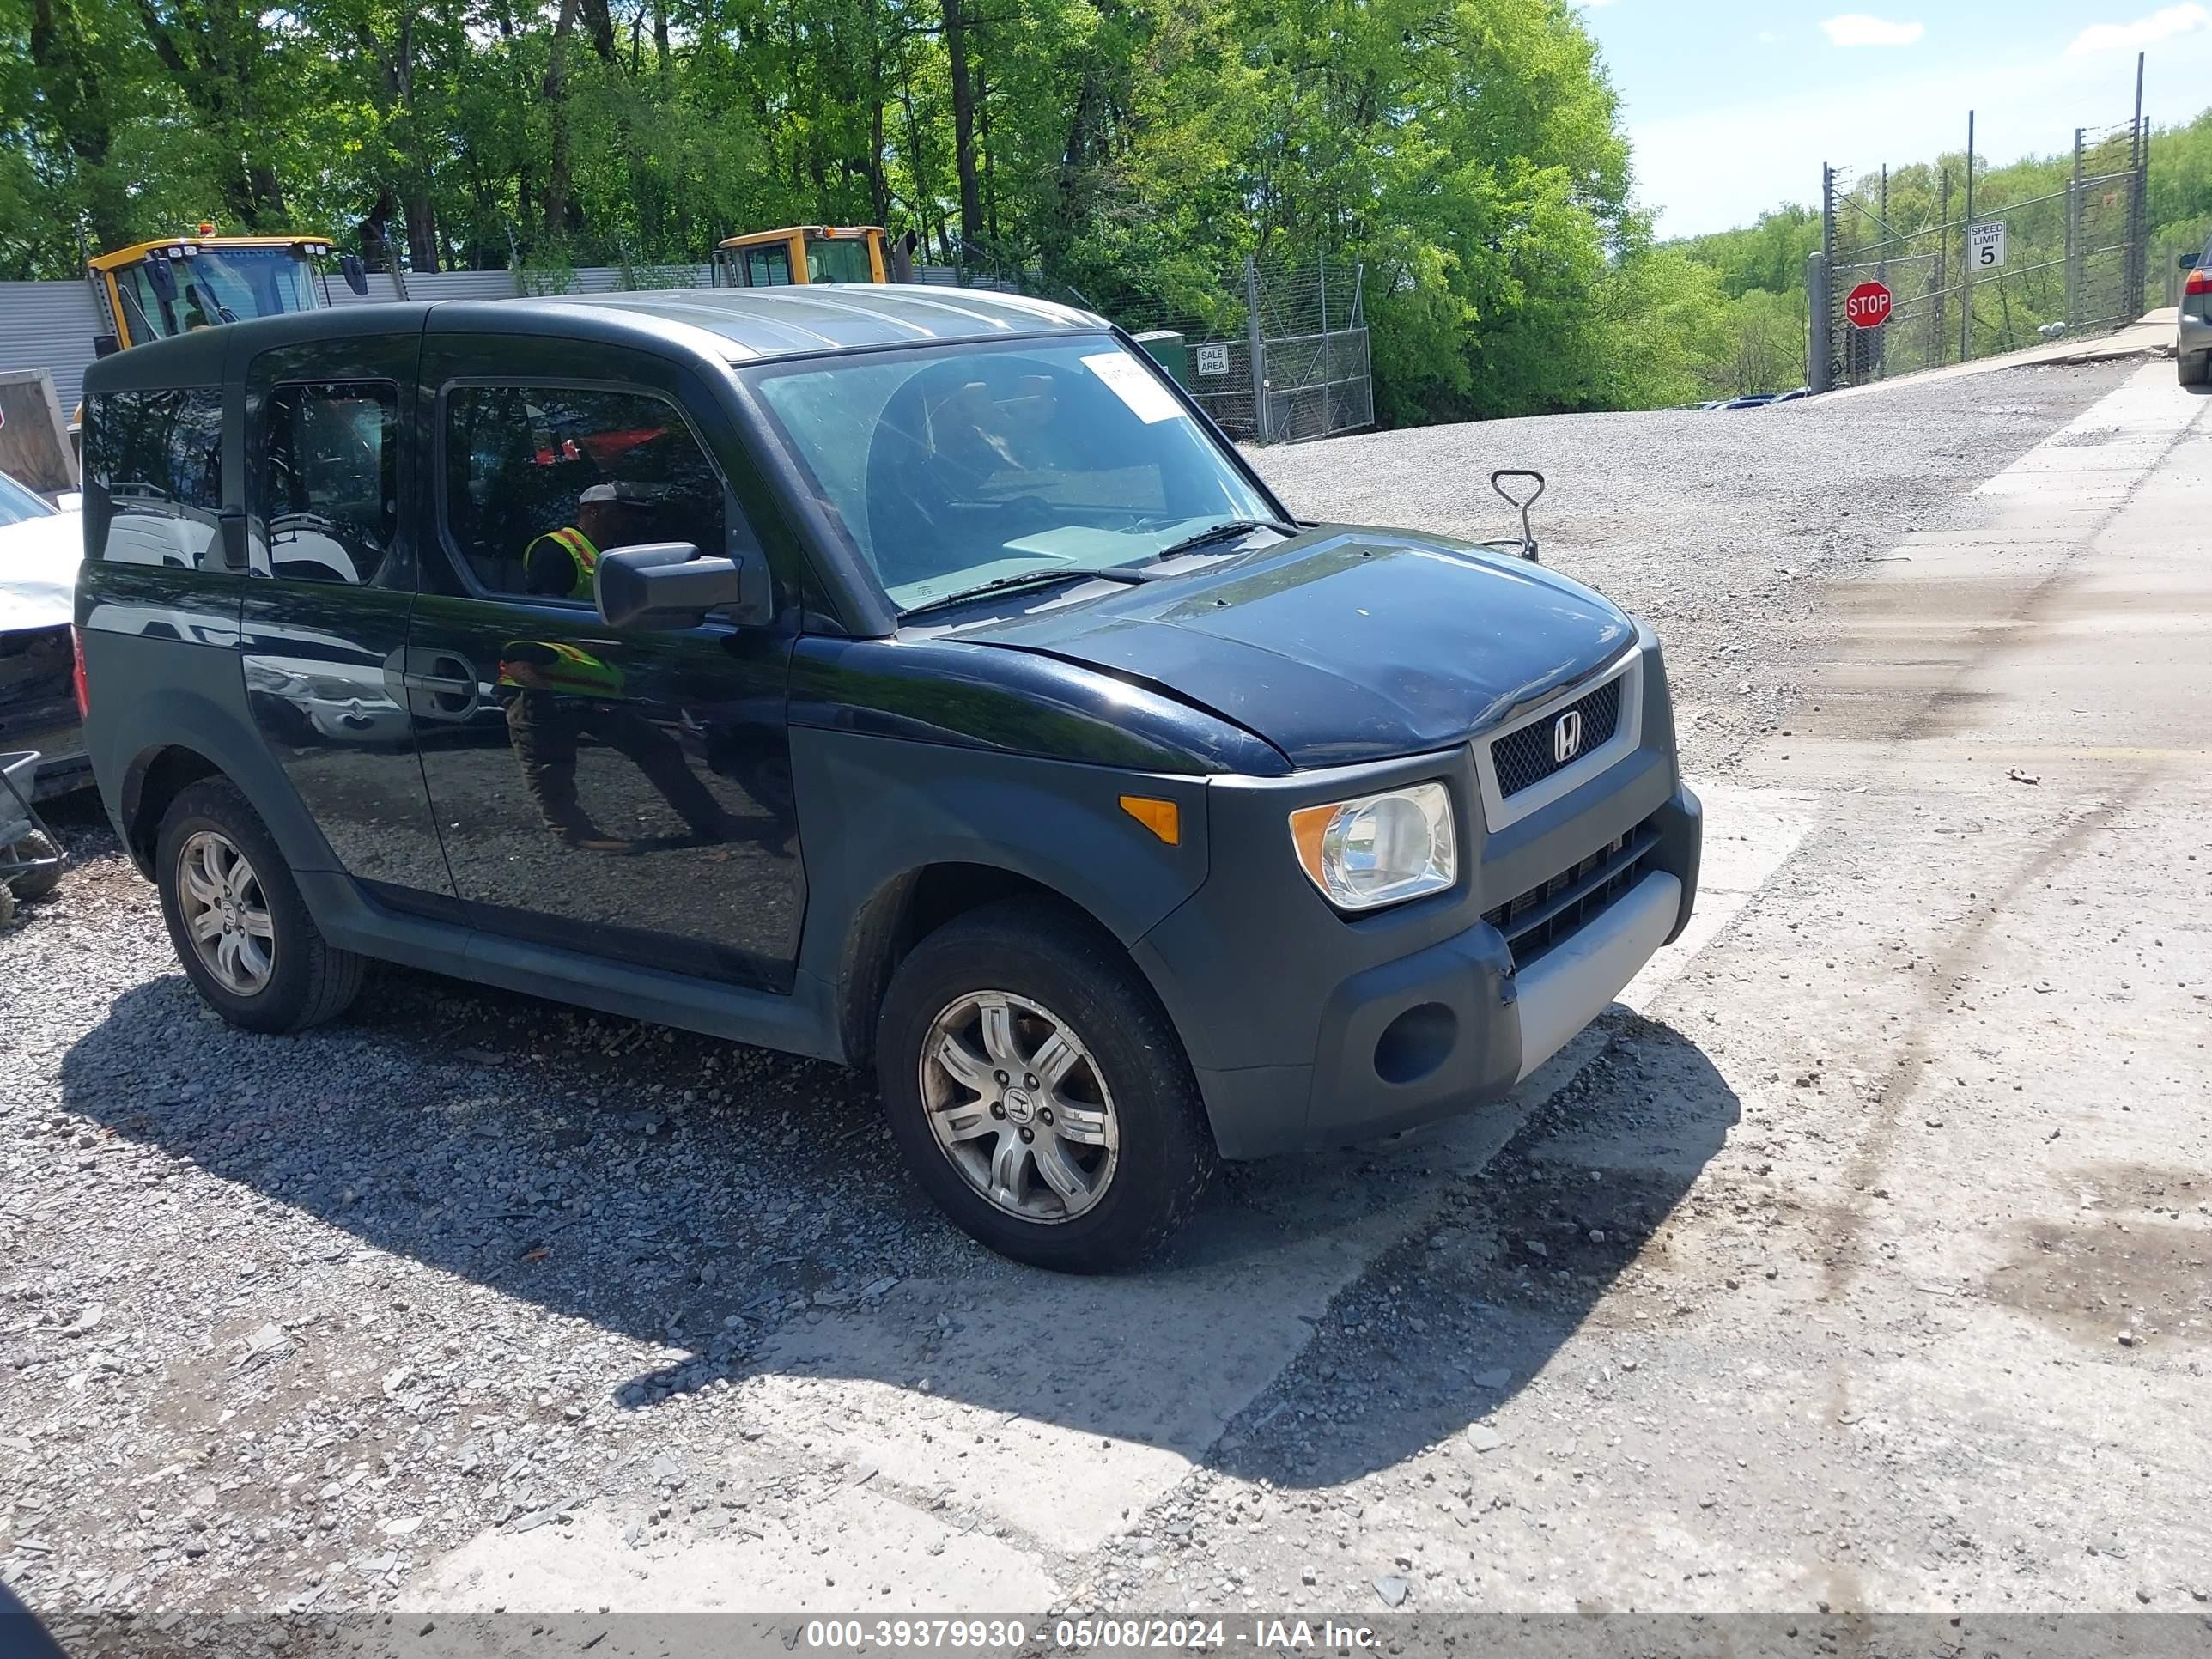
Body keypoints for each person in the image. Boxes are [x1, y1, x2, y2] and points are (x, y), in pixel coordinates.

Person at [501, 482, 735, 852]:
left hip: (591, 682)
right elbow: (537, 619)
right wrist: (536, 681)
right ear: (593, 510)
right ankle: (574, 834)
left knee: (657, 748)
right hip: (545, 678)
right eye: (623, 511)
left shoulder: (607, 555)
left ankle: (712, 821)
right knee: (549, 764)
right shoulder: (557, 550)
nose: (632, 519)